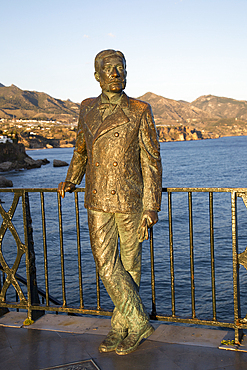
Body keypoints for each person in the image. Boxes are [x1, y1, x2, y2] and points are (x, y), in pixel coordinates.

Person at [58, 49, 162, 355]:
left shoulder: (140, 109)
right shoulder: (86, 108)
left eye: (121, 67)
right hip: (97, 197)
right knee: (106, 265)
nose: (116, 73)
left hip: (130, 198)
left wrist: (151, 205)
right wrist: (71, 179)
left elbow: (151, 161)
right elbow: (81, 149)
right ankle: (139, 321)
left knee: (130, 266)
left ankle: (122, 326)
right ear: (98, 76)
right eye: (110, 68)